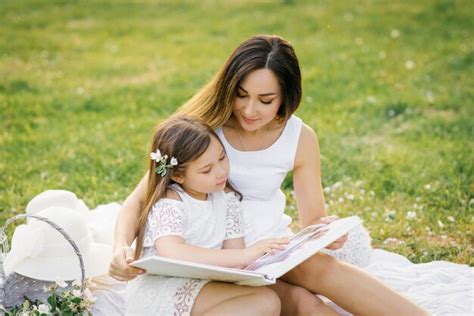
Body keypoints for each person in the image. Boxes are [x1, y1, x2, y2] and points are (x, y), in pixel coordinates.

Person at [111, 35, 428, 315]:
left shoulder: (299, 138)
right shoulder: (202, 129)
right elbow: (140, 199)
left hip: (271, 250)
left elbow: (314, 219)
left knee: (322, 269)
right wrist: (120, 249)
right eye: (241, 95)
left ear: (285, 98)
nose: (249, 110)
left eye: (265, 101)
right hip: (212, 255)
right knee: (305, 305)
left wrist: (329, 233)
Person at [126, 116, 282, 315]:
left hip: (203, 283)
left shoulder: (227, 199)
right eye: (207, 170)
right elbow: (172, 250)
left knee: (268, 300)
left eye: (222, 158)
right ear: (177, 175)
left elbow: (236, 258)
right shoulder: (172, 200)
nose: (220, 172)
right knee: (263, 303)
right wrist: (243, 254)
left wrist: (262, 255)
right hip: (161, 287)